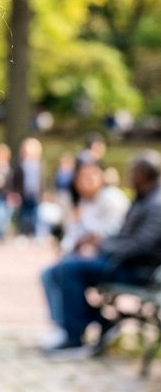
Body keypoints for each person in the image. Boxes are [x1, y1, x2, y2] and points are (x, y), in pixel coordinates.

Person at [39, 151, 161, 358]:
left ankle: (75, 336)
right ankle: (92, 323)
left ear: (144, 173)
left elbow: (141, 246)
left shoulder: (155, 203)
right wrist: (101, 243)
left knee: (68, 270)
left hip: (136, 270)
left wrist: (104, 246)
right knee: (61, 267)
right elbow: (126, 238)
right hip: (121, 262)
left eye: (133, 171)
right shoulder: (145, 198)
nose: (129, 176)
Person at [12, 136, 44, 239]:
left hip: (35, 193)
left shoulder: (39, 164)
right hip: (23, 193)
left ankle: (35, 234)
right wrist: (16, 193)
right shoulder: (20, 164)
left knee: (35, 215)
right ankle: (22, 233)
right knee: (23, 214)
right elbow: (16, 180)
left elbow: (42, 181)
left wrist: (43, 193)